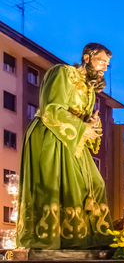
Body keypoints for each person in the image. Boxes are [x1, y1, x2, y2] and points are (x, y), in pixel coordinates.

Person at [17, 43, 114, 250]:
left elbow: (84, 118)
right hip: (51, 135)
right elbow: (51, 107)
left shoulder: (89, 89)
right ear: (87, 57)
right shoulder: (62, 72)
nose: (104, 68)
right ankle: (53, 240)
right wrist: (81, 127)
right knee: (57, 186)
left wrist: (91, 124)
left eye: (107, 64)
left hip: (73, 139)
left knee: (96, 185)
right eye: (101, 62)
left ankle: (86, 239)